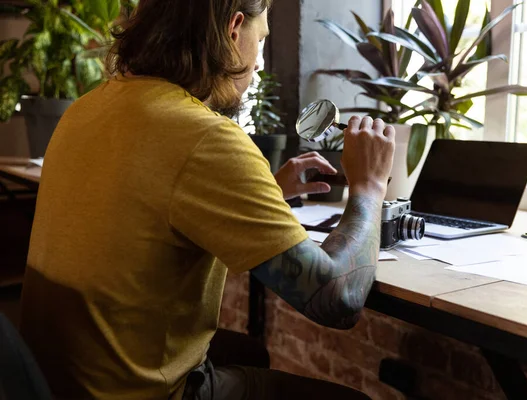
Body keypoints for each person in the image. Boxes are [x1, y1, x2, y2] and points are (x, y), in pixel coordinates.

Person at [19, 0, 396, 399]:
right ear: (234, 30)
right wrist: (369, 187)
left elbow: (147, 209)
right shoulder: (203, 136)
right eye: (261, 40)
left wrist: (262, 189)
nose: (257, 64)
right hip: (135, 392)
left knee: (250, 352)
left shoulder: (86, 108)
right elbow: (337, 300)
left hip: (53, 379)